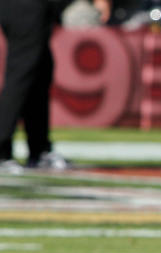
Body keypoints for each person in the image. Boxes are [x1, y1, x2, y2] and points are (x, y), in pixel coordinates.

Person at [0, 0, 110, 175]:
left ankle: (39, 149)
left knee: (40, 73)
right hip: (24, 6)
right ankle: (2, 149)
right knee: (22, 74)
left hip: (34, 7)